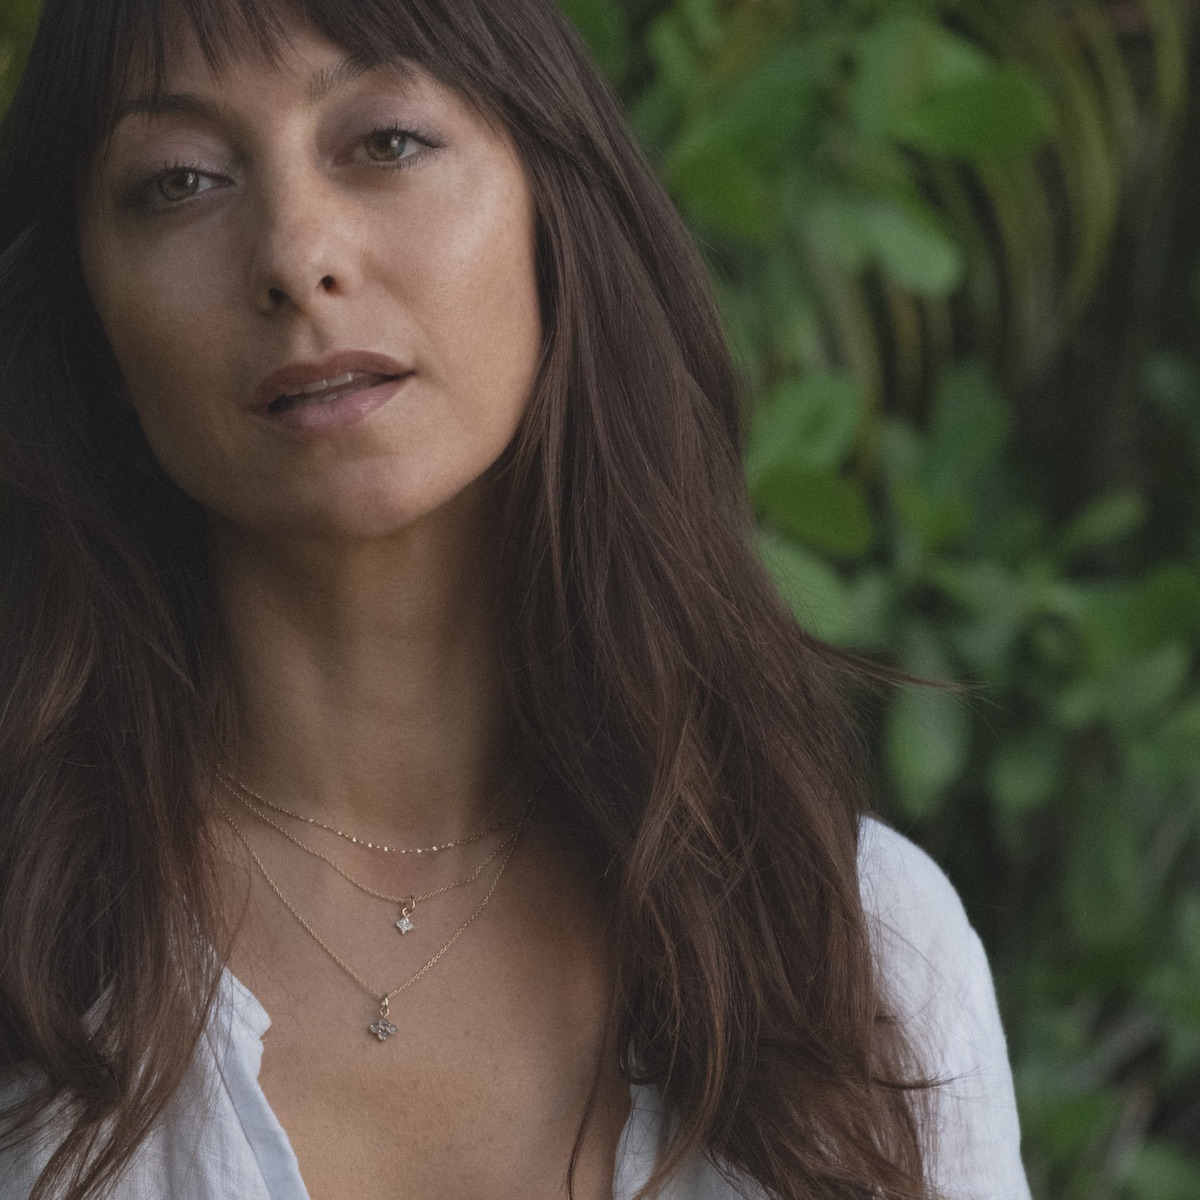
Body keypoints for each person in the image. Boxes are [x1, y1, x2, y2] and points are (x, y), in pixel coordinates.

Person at [0, 0, 1032, 1197]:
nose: (295, 253)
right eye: (178, 180)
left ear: (557, 212)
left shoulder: (856, 953)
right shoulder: (30, 959)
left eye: (383, 142)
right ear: (92, 329)